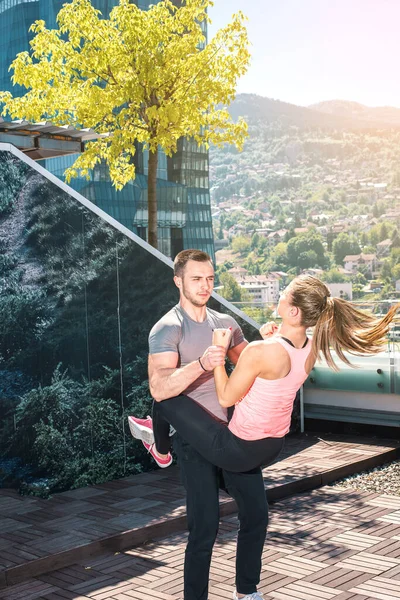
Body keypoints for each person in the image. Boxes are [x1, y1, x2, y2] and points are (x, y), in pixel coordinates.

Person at [130, 273, 399, 474]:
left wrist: (218, 353)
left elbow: (226, 398)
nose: (280, 294)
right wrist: (269, 339)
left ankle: (161, 451)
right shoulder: (312, 347)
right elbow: (270, 376)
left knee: (165, 398)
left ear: (293, 311)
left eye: (285, 292)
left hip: (237, 449)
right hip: (273, 446)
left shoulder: (262, 351)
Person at [129, 249, 268, 600]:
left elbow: (255, 365)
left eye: (209, 278)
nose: (205, 285)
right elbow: (159, 387)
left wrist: (271, 340)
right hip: (193, 440)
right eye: (196, 278)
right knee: (204, 527)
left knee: (256, 514)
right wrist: (203, 364)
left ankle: (247, 592)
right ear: (178, 281)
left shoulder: (226, 324)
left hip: (232, 435)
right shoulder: (167, 328)